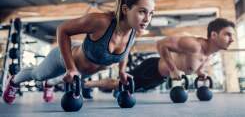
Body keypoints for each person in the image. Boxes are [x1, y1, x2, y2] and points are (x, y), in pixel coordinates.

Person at [3, 0, 155, 104]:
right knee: (38, 75)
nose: (147, 19)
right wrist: (70, 68)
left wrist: (122, 71)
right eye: (142, 11)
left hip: (83, 71)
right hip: (66, 57)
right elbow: (63, 29)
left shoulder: (135, 31)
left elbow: (125, 51)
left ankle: (49, 84)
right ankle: (14, 81)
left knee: (61, 79)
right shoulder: (101, 21)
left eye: (151, 13)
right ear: (125, 9)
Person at [82, 18, 235, 94]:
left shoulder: (210, 54)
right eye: (228, 35)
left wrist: (200, 73)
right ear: (214, 35)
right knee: (119, 84)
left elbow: (192, 66)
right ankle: (86, 85)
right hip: (151, 68)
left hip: (158, 77)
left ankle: (99, 87)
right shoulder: (194, 44)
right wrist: (173, 69)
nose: (232, 39)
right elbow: (161, 44)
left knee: (126, 89)